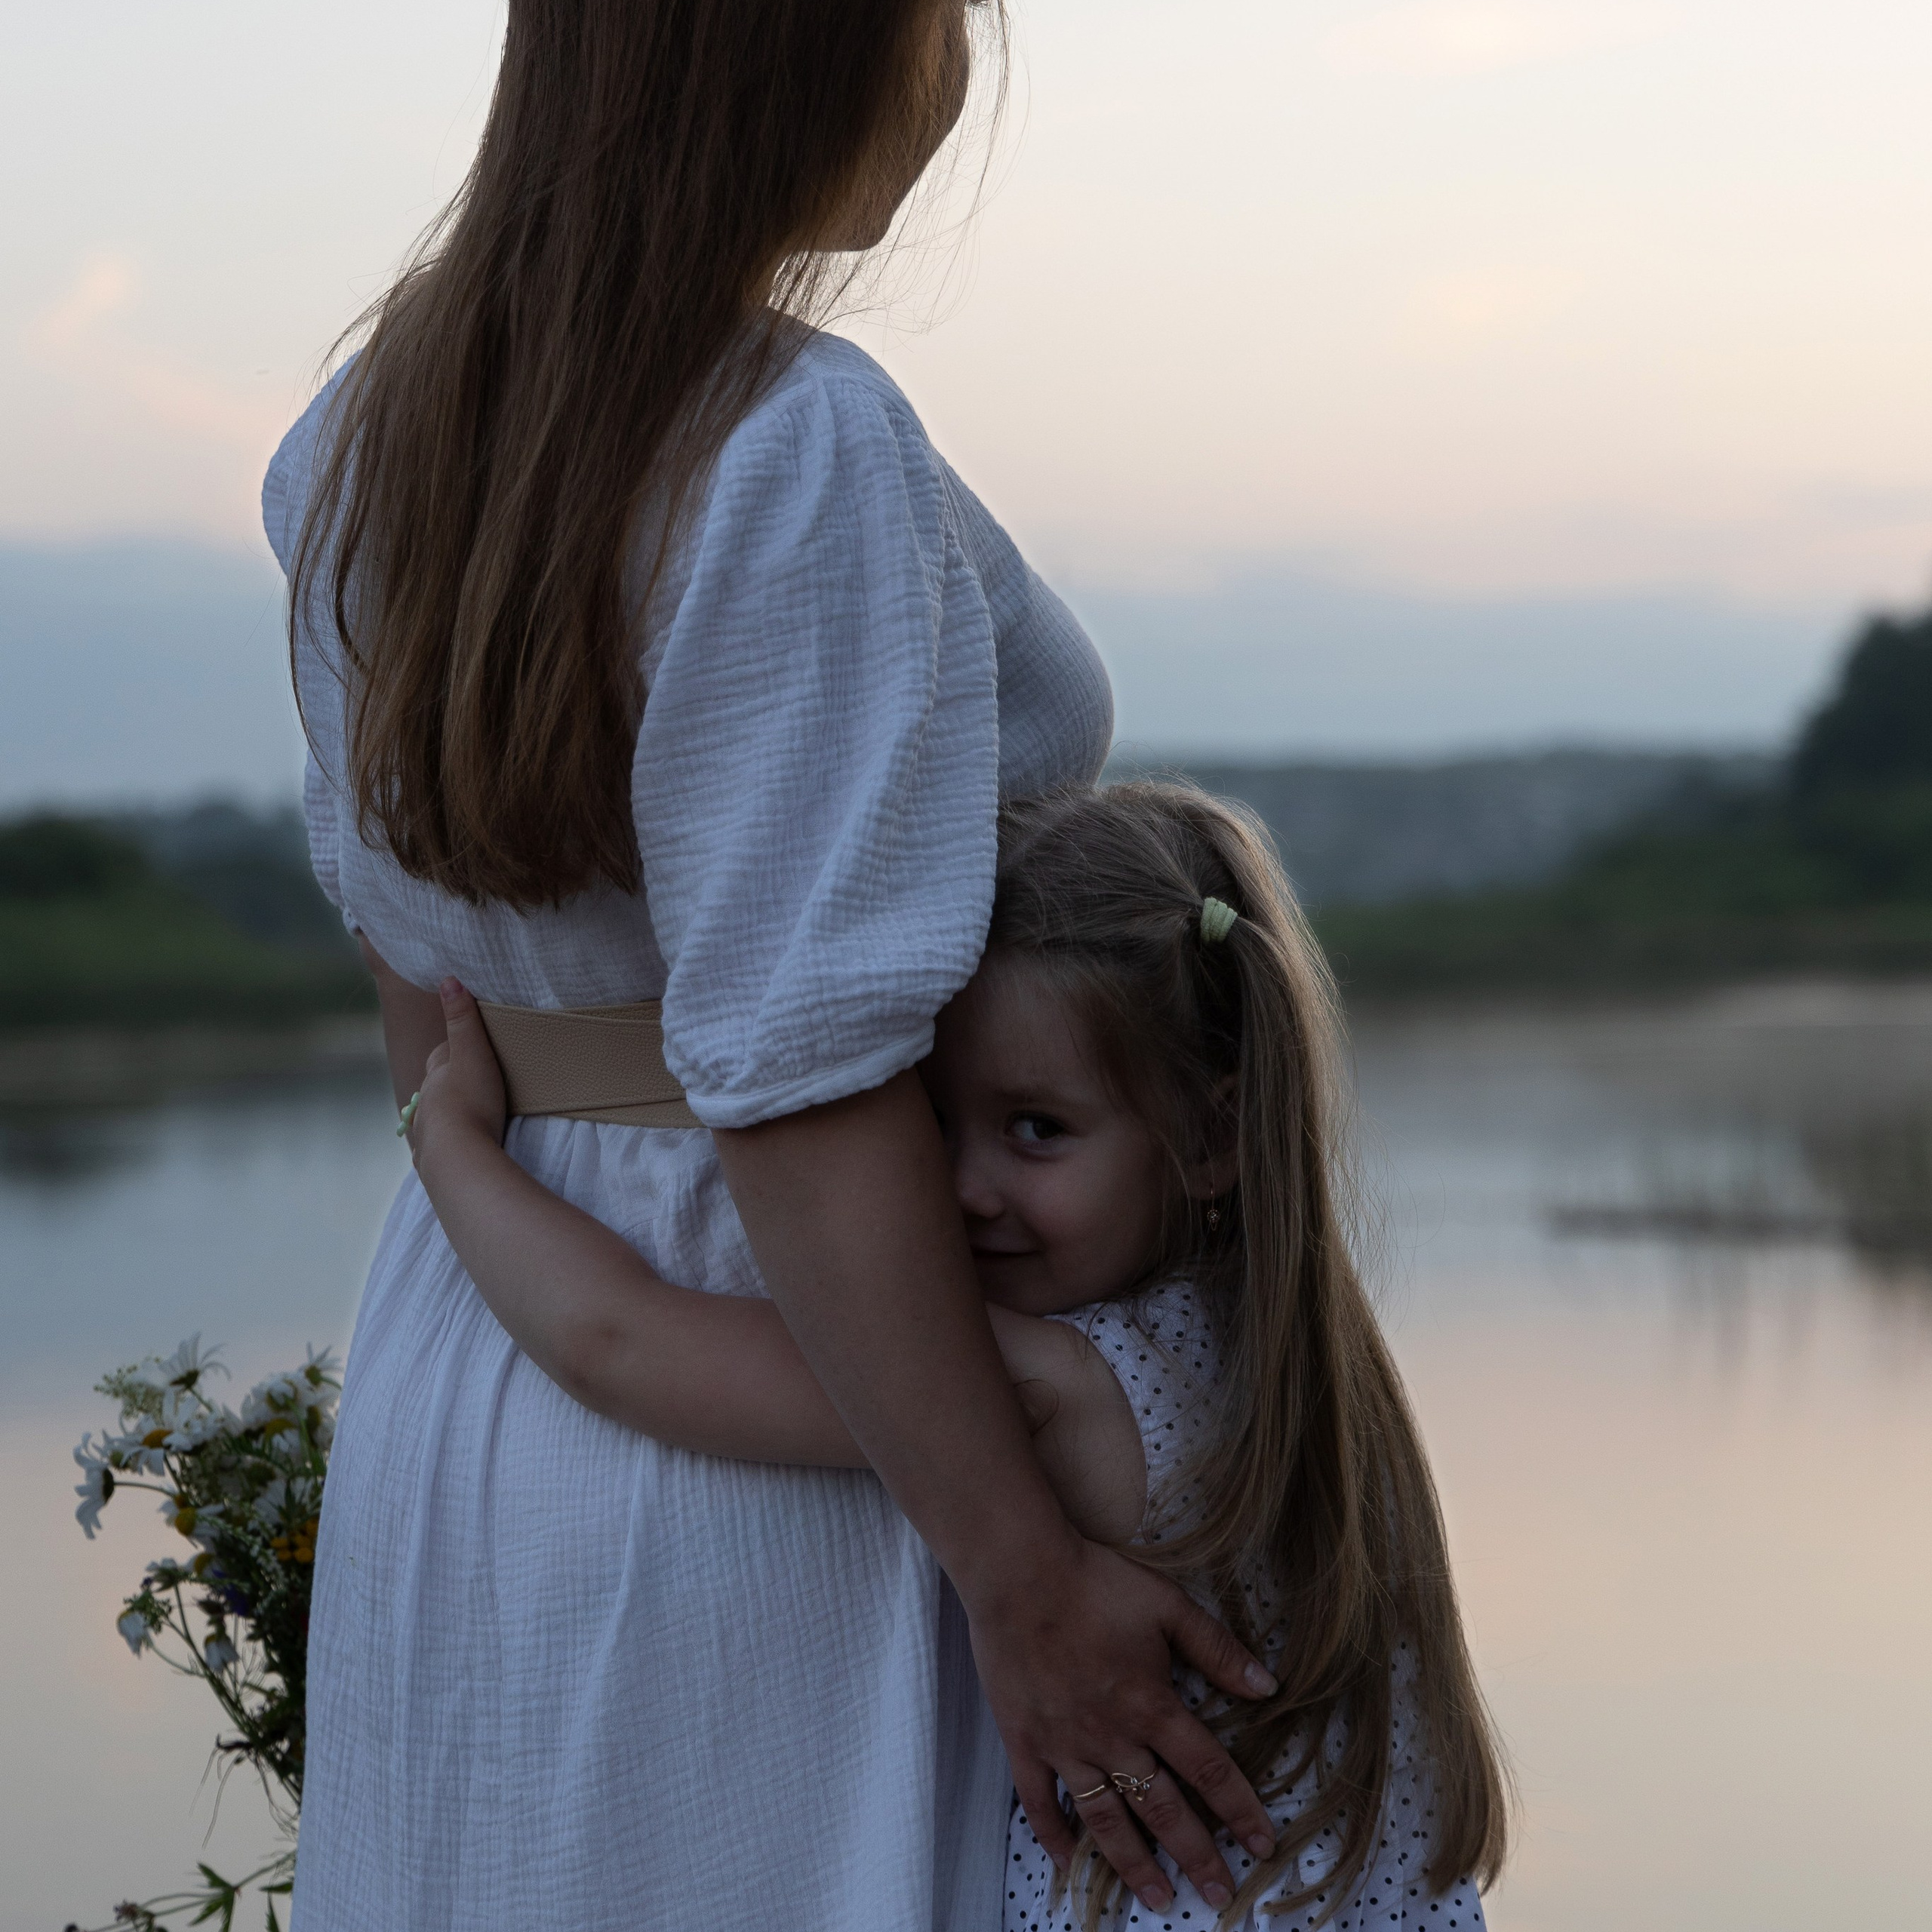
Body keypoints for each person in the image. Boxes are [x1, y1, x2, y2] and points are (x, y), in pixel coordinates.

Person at [266, 2, 1281, 1924]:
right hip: (808, 1358)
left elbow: (430, 1008)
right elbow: (802, 1079)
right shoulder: (791, 442)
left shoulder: (351, 440)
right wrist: (1021, 1576)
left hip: (477, 1334)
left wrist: (488, 1181)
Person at [405, 780, 1511, 1931]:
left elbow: (615, 1339)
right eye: (930, 1127)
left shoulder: (1056, 1388)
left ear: (1210, 1135)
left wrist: (450, 1149)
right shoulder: (1295, 1363)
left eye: (1037, 1129)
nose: (965, 1189)